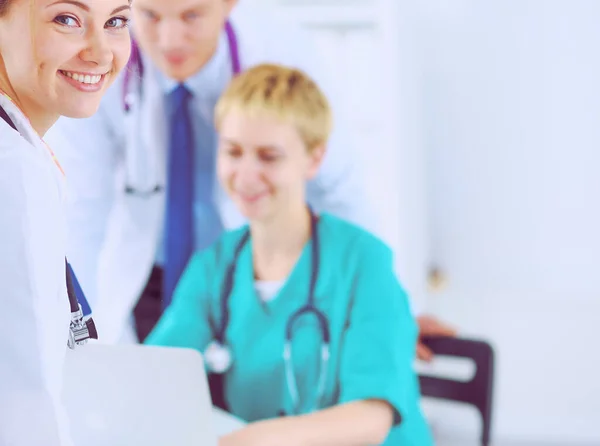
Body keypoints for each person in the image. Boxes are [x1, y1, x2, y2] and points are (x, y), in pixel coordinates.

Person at [44, 0, 455, 356]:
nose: (169, 40)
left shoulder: (281, 54)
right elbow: (83, 211)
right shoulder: (100, 66)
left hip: (253, 272)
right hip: (154, 276)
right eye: (149, 15)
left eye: (191, 15)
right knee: (156, 394)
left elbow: (339, 189)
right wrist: (73, 330)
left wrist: (390, 307)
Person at [145, 63, 434, 446]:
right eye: (233, 152)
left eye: (268, 157)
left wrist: (237, 442)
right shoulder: (215, 266)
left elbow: (370, 417)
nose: (246, 175)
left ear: (314, 159)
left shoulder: (364, 261)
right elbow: (153, 375)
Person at [0, 0, 132, 444]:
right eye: (67, 19)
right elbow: (25, 400)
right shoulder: (14, 169)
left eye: (116, 21)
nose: (100, 52)